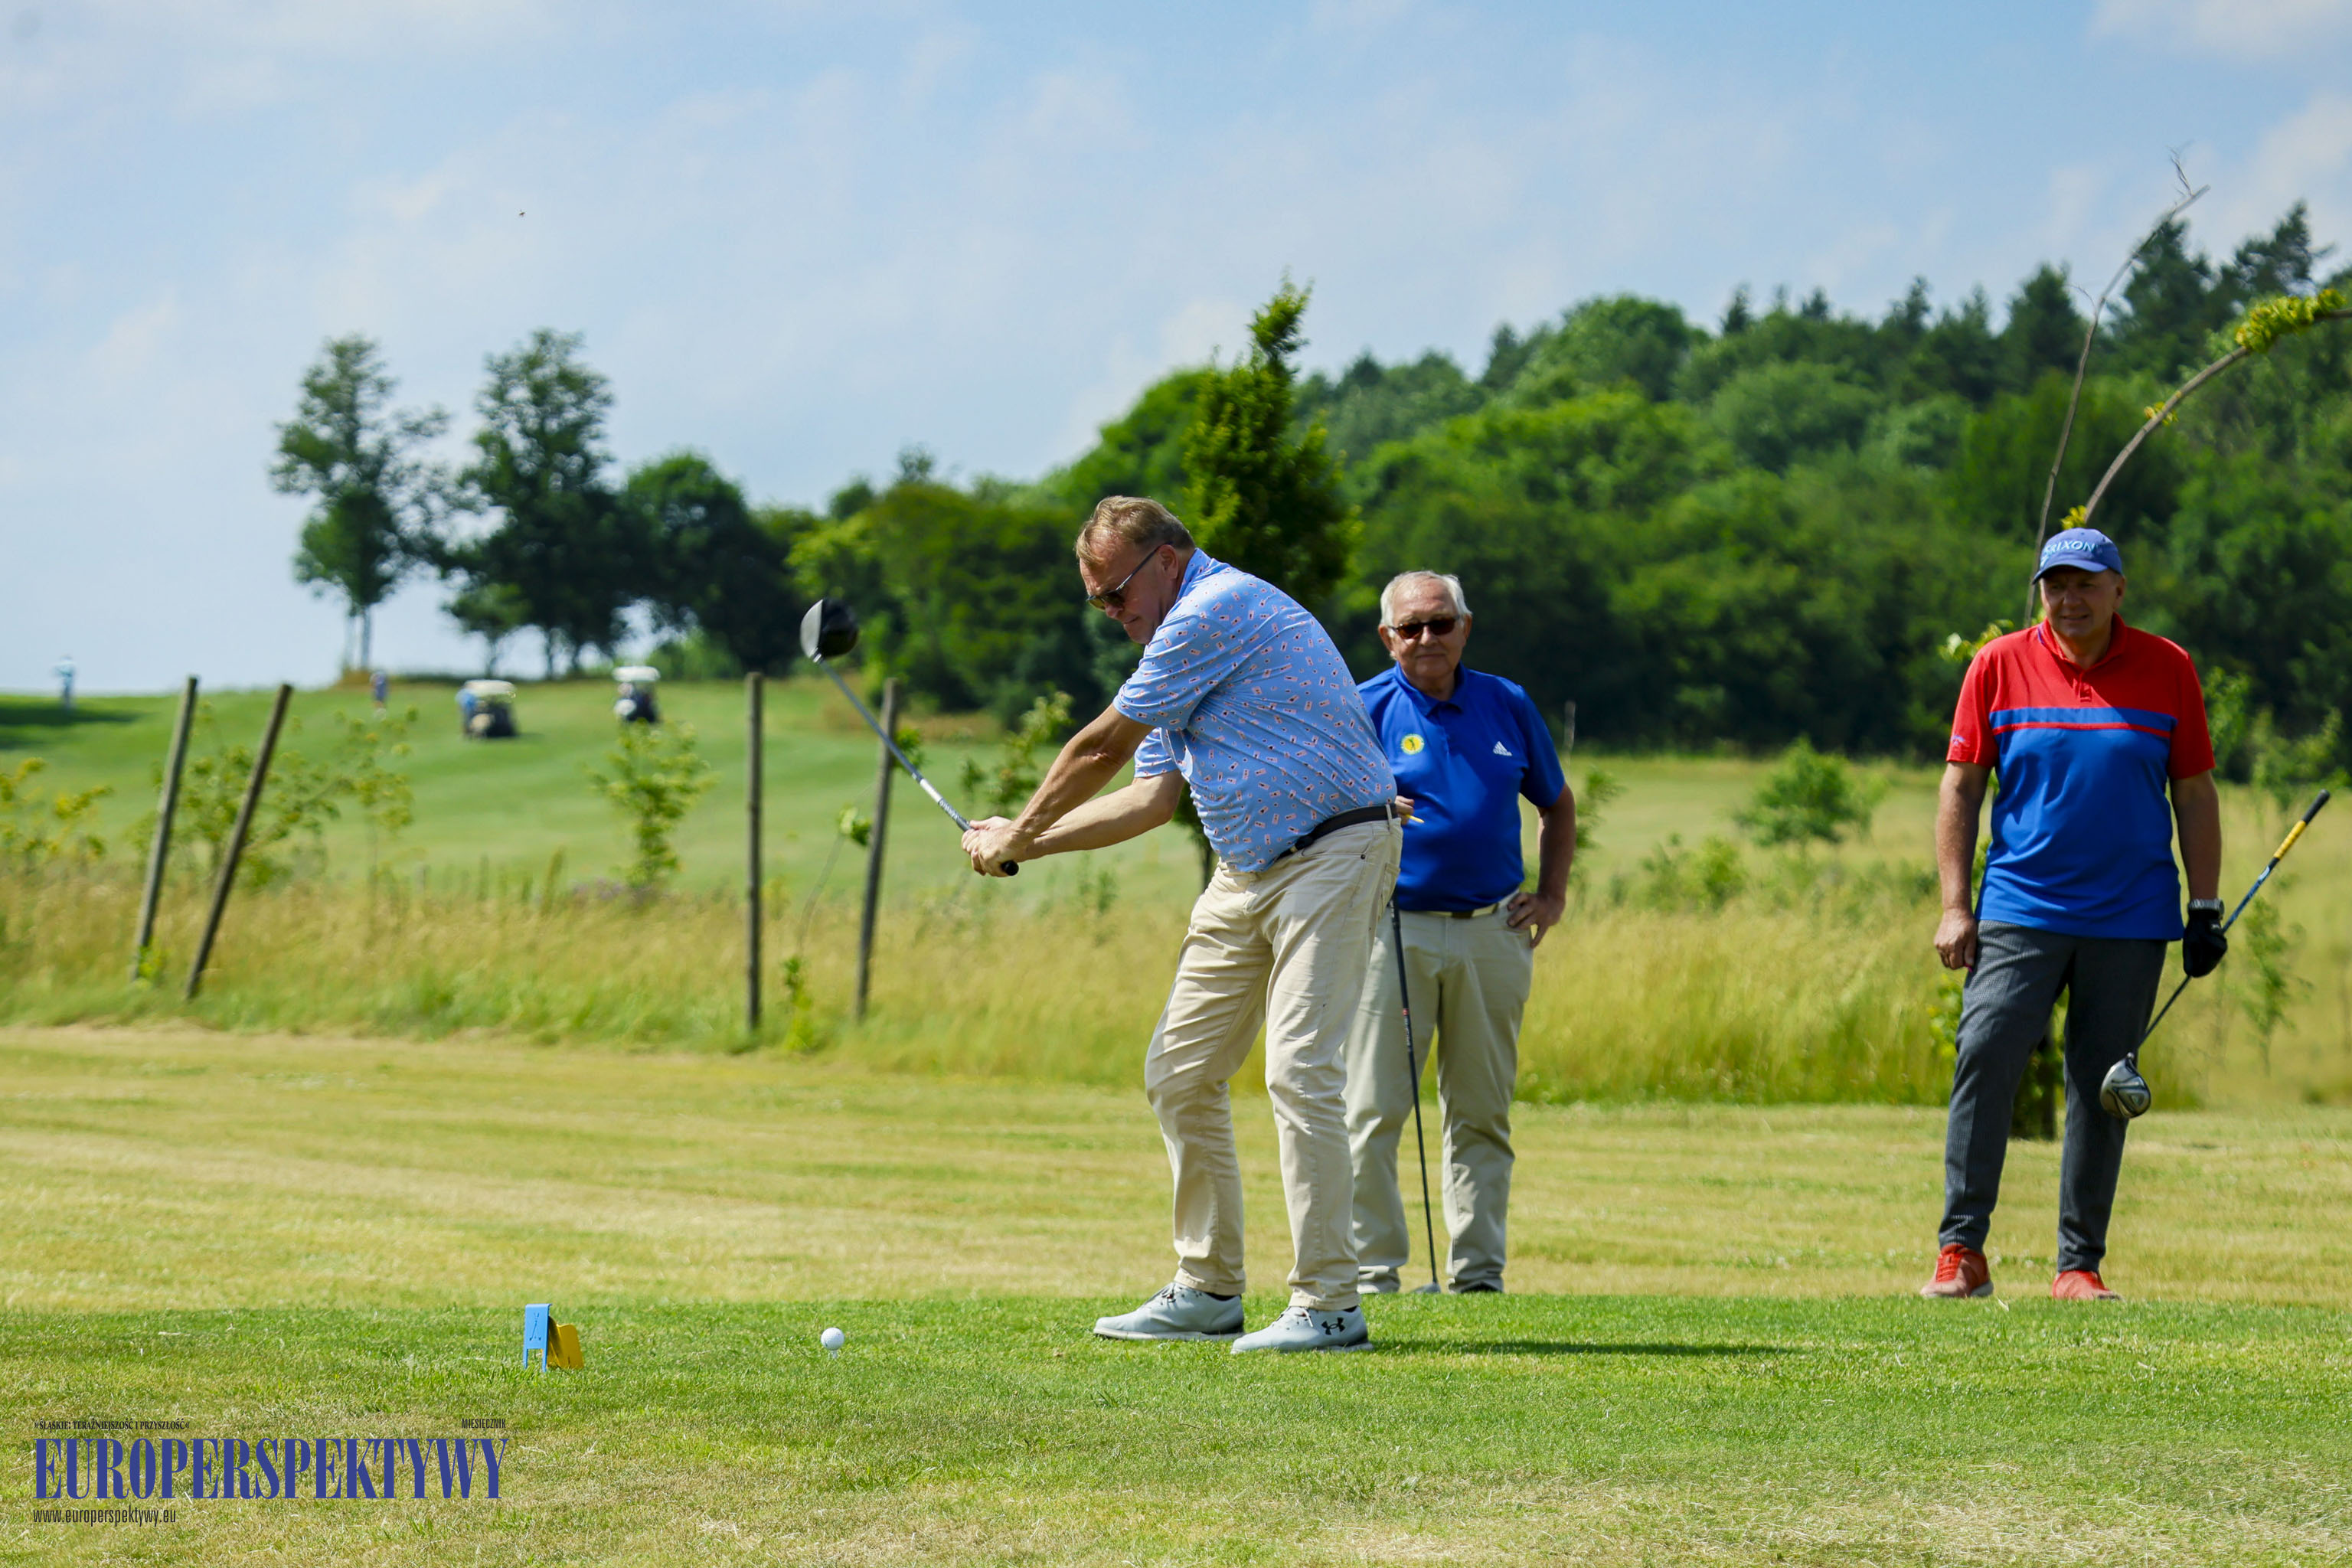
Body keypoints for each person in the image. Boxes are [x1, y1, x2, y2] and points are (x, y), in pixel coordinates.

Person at [960, 496, 1402, 1354]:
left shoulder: (1214, 609)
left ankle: (1330, 1304)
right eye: (1094, 600)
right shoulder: (1172, 644)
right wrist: (1025, 841)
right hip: (1247, 870)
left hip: (1336, 847)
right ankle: (1207, 1288)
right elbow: (1150, 799)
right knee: (1181, 1068)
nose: (1110, 613)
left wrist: (1017, 827)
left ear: (1167, 561)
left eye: (1115, 592)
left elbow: (1101, 748)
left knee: (1301, 1069)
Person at [1925, 527, 2223, 1302]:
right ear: (2041, 592)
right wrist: (1956, 905)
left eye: (2087, 582)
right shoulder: (1996, 664)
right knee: (1985, 1052)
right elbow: (1961, 787)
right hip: (2021, 905)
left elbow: (2193, 790)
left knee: (2102, 1081)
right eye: (2056, 583)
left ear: (2118, 588)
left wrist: (2204, 906)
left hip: (2130, 913)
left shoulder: (2169, 668)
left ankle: (2078, 1264)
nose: (2070, 597)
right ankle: (1963, 1250)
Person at [1346, 572, 1574, 1295]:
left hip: (1493, 928)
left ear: (1465, 627)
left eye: (1440, 624)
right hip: (1390, 930)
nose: (1426, 639)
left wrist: (1553, 895)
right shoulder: (1361, 708)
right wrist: (1370, 813)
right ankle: (1375, 1273)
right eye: (1410, 628)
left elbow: (1557, 804)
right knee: (1374, 1110)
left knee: (1481, 1112)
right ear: (1387, 638)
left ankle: (1479, 1276)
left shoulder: (1506, 703)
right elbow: (1315, 817)